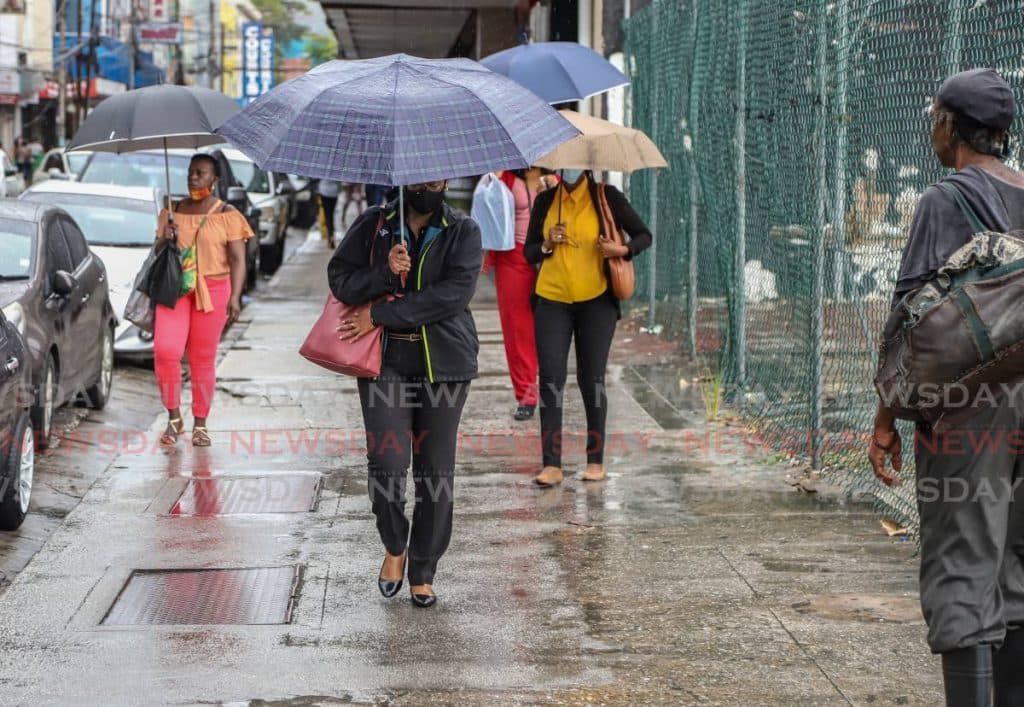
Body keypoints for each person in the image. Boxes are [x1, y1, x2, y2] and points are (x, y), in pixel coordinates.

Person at [869, 68, 1024, 707]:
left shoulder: (944, 199)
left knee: (963, 562)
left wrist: (886, 418)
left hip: (969, 407)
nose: (932, 128)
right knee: (1016, 567)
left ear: (952, 127)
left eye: (935, 117)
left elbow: (909, 325)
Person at [328, 180, 482, 608]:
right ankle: (395, 544)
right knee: (387, 462)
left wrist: (381, 312)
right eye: (421, 178)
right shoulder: (374, 224)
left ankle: (423, 568)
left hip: (445, 364)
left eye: (437, 179)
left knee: (435, 471)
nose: (429, 186)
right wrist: (383, 271)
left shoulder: (462, 230)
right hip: (385, 362)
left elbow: (453, 295)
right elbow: (340, 281)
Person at [524, 169, 652, 487]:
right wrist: (547, 243)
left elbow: (643, 235)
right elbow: (529, 252)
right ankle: (551, 464)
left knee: (591, 379)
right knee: (550, 379)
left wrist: (621, 250)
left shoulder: (607, 196)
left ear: (586, 166)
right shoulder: (545, 201)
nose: (569, 171)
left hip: (597, 302)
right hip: (551, 300)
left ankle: (595, 461)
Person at [154, 154, 254, 448]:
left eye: (201, 173)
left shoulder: (228, 214)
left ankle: (200, 423)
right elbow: (158, 250)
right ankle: (174, 417)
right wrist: (165, 237)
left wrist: (235, 297)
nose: (193, 178)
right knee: (165, 351)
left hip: (214, 290)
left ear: (215, 179)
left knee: (202, 358)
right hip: (175, 288)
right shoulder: (171, 210)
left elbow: (238, 259)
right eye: (190, 172)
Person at [488, 168, 556, 421]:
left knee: (552, 327)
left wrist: (554, 192)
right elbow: (486, 210)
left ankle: (550, 387)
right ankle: (526, 394)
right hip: (513, 257)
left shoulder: (555, 180)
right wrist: (493, 183)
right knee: (517, 329)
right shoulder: (505, 178)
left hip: (550, 257)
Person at [317, 179, 341, 248]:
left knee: (327, 215)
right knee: (331, 215)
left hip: (324, 191)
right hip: (334, 192)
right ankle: (331, 236)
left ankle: (330, 237)